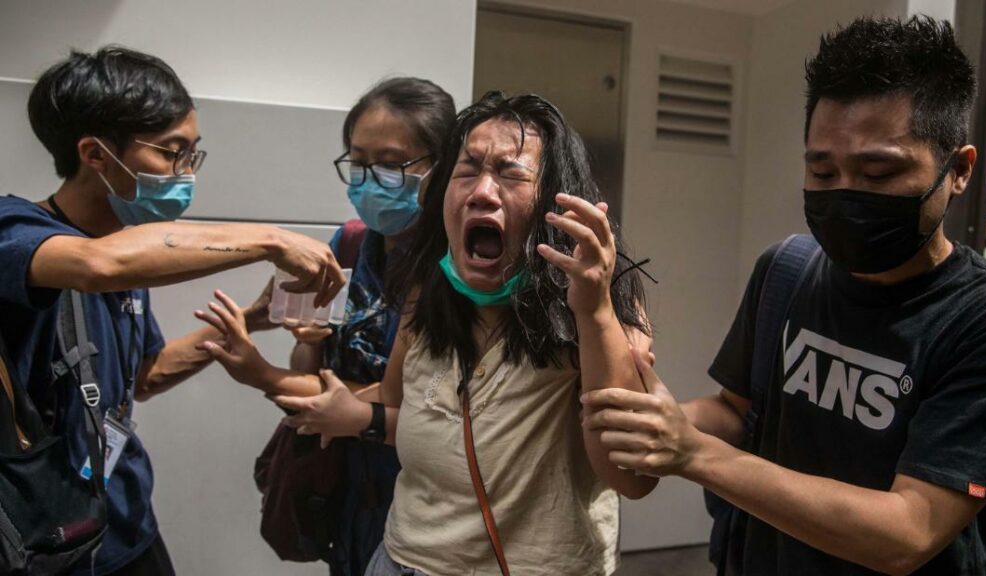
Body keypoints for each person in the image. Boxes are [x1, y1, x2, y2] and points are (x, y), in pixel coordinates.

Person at [584, 15, 986, 575]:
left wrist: (692, 453)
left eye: (877, 173)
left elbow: (909, 531)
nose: (845, 194)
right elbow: (737, 413)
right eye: (823, 169)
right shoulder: (788, 271)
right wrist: (657, 416)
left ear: (958, 171)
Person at [197, 92, 658, 575]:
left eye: (510, 172)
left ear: (557, 203)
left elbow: (632, 477)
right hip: (399, 558)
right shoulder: (425, 290)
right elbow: (399, 405)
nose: (482, 190)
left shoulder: (601, 304)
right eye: (468, 169)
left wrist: (595, 310)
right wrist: (317, 380)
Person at [0, 46, 343, 575]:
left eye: (192, 154)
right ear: (95, 154)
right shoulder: (18, 233)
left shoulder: (131, 249)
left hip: (126, 523)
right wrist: (273, 239)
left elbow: (145, 377)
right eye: (170, 153)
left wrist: (247, 322)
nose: (185, 172)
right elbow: (95, 265)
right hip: (44, 537)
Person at [273, 77, 456, 576]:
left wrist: (255, 372)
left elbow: (438, 411)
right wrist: (308, 346)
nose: (369, 178)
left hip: (425, 499)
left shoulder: (458, 267)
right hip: (350, 486)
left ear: (441, 168)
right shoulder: (352, 244)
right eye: (358, 161)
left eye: (391, 164)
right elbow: (315, 368)